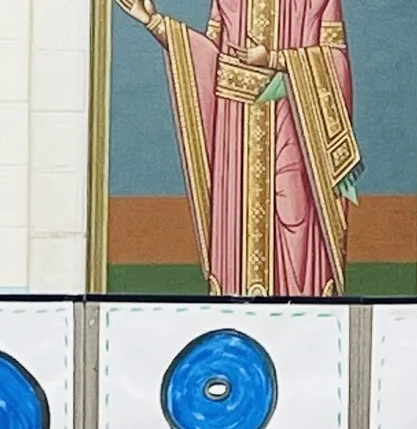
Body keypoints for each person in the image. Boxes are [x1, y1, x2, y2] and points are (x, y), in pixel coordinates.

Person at [110, 0, 358, 297]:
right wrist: (154, 23)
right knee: (236, 232)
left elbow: (334, 60)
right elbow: (206, 57)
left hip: (290, 123)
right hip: (235, 133)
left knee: (294, 217)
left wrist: (275, 58)